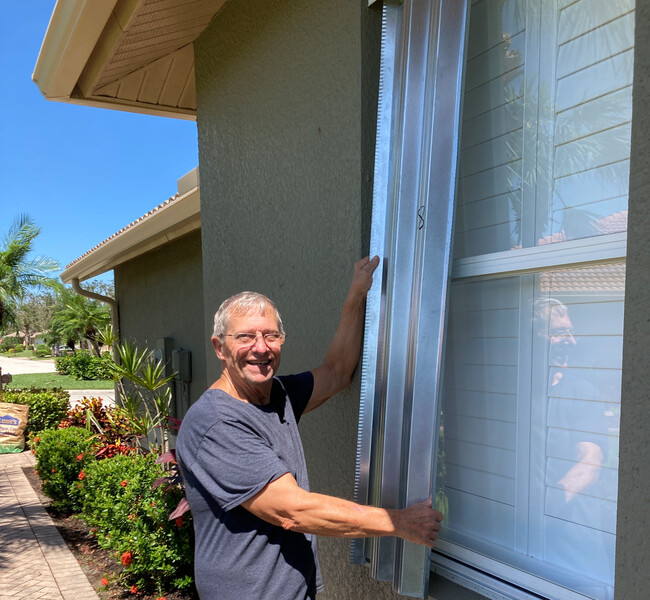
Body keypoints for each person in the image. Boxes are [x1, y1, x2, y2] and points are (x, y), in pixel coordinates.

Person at [176, 256, 444, 600]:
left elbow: (336, 371)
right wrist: (400, 522)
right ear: (220, 347)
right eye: (245, 337)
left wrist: (356, 295)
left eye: (270, 335)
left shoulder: (278, 395)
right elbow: (292, 509)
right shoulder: (216, 423)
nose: (261, 347)